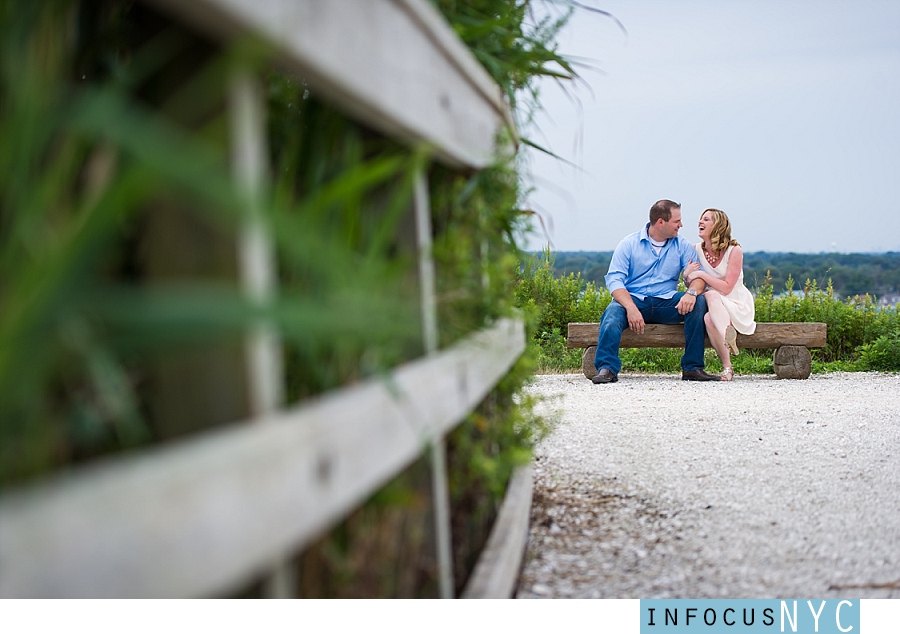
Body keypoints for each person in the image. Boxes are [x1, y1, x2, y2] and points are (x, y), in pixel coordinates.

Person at [592, 199, 720, 383]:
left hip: (666, 302)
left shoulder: (682, 245)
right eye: (677, 221)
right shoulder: (628, 244)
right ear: (661, 222)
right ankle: (607, 369)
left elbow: (699, 277)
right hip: (634, 300)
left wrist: (691, 293)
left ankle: (692, 368)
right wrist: (631, 308)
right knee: (612, 313)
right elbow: (614, 281)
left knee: (699, 302)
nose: (681, 225)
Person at [683, 208, 757, 381]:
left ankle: (726, 337)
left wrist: (701, 274)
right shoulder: (695, 249)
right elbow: (691, 284)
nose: (700, 222)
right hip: (714, 306)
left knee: (712, 296)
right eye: (700, 219)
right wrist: (687, 274)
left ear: (718, 225)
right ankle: (727, 365)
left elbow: (727, 288)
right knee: (708, 316)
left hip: (735, 302)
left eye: (706, 219)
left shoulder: (734, 250)